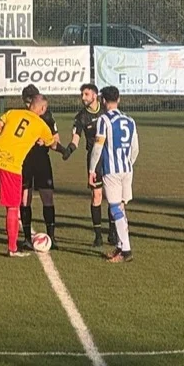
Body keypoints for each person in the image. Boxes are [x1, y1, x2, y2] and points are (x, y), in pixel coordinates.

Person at [0, 93, 57, 257]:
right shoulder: (42, 125)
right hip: (12, 167)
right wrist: (63, 148)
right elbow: (53, 143)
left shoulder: (12, 113)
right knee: (13, 207)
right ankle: (12, 248)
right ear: (42, 108)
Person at [88, 86, 139, 263]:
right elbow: (135, 149)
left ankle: (126, 250)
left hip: (112, 171)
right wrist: (128, 164)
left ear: (102, 101)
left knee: (115, 208)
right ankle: (120, 246)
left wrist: (92, 169)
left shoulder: (104, 119)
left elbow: (98, 146)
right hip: (127, 169)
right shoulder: (130, 120)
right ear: (119, 99)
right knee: (121, 208)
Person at [66, 83, 114, 247]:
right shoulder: (81, 117)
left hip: (110, 157)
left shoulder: (106, 110)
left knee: (112, 195)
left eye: (86, 94)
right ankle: (98, 235)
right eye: (82, 95)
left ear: (94, 95)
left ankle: (113, 232)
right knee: (97, 196)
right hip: (94, 159)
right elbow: (76, 137)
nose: (83, 98)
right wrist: (69, 150)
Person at [19, 83, 59, 249]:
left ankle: (52, 237)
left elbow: (56, 140)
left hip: (42, 161)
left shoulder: (47, 116)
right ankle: (27, 238)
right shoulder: (21, 116)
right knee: (24, 198)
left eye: (30, 102)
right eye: (26, 102)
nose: (28, 106)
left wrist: (45, 142)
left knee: (47, 197)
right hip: (25, 162)